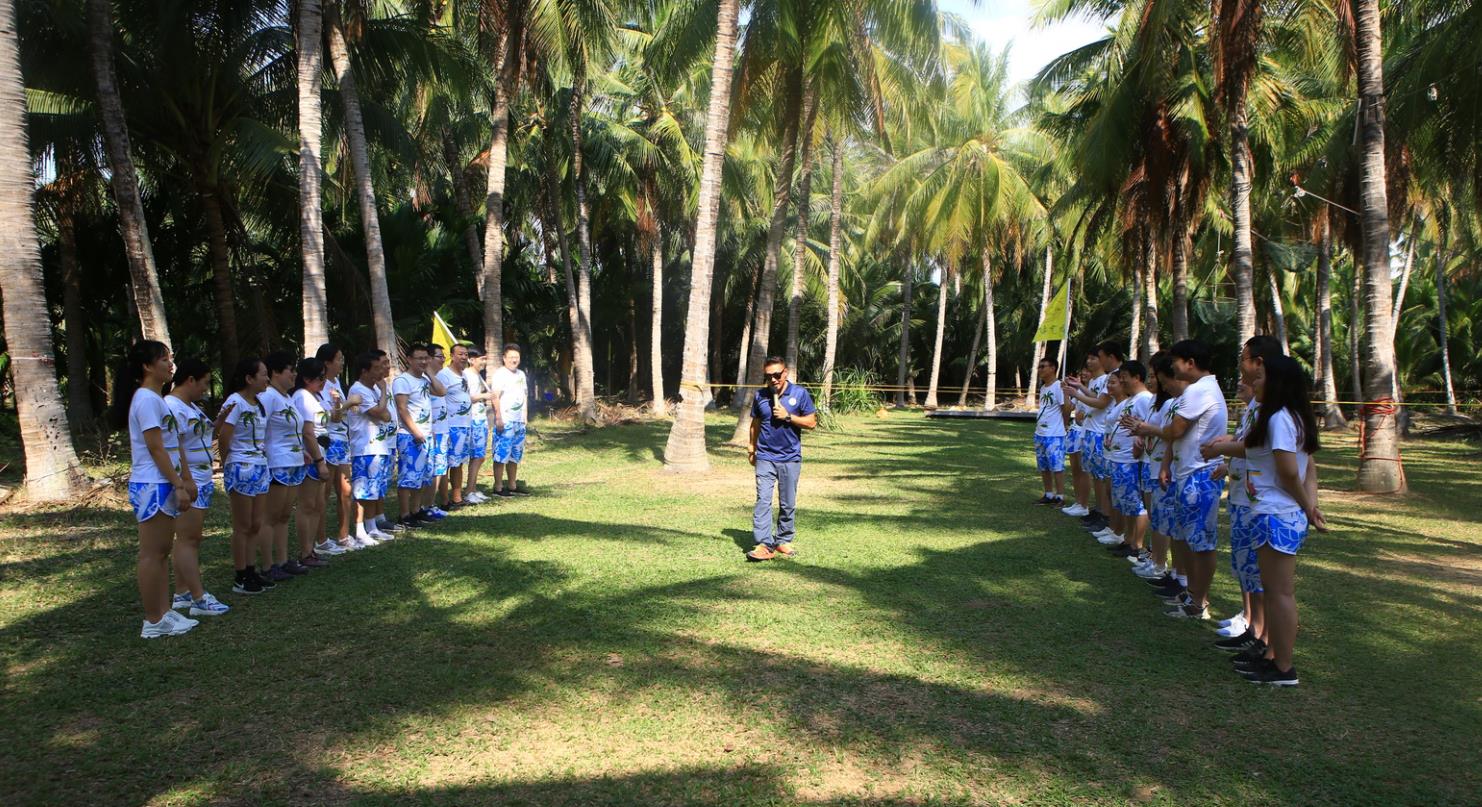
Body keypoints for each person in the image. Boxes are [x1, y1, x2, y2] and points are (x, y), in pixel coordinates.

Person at [1230, 355, 1326, 686]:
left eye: (1262, 375)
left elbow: (1289, 472)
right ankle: (1272, 656)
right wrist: (1308, 506)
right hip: (1274, 512)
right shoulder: (1286, 417)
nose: (1254, 379)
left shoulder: (1280, 419)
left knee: (1279, 593)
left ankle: (1283, 668)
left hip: (1276, 514)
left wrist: (1307, 508)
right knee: (1273, 592)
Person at [1128, 339, 1227, 620]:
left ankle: (1198, 603)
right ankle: (1191, 595)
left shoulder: (1199, 390)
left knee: (1200, 543)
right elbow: (1178, 433)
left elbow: (1175, 430)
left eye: (1175, 361)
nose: (1172, 367)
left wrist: (1149, 429)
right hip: (1189, 473)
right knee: (1186, 537)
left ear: (1190, 364)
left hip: (1198, 475)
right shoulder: (1202, 389)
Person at [114, 341, 199, 638]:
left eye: (170, 358)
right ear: (147, 366)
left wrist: (186, 478)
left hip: (163, 481)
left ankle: (164, 611)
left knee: (162, 551)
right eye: (164, 359)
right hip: (153, 483)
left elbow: (175, 445)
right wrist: (178, 484)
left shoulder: (157, 399)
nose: (170, 364)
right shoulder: (146, 400)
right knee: (152, 553)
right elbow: (155, 448)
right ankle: (153, 620)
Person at [165, 358, 231, 617]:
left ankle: (182, 592)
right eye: (204, 383)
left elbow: (200, 437)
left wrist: (219, 422)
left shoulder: (189, 406)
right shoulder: (172, 406)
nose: (205, 389)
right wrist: (186, 479)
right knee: (187, 540)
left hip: (201, 479)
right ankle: (198, 596)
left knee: (191, 538)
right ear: (190, 380)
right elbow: (176, 445)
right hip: (190, 480)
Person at [746, 356, 818, 561]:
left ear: (785, 373)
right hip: (765, 456)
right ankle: (763, 544)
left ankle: (783, 540)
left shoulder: (800, 394)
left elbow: (812, 423)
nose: (773, 380)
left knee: (787, 502)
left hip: (790, 457)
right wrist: (752, 447)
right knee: (763, 500)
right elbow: (755, 424)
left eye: (777, 375)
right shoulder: (760, 395)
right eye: (769, 376)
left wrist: (788, 416)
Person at [220, 356, 273, 594]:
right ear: (249, 378)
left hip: (260, 467)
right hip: (241, 467)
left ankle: (252, 570)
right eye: (263, 374)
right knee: (242, 525)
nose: (267, 379)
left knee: (255, 523)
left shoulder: (258, 403)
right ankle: (241, 576)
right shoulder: (235, 402)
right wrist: (227, 464)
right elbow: (224, 435)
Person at [260, 351, 314, 581]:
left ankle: (282, 560)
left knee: (283, 515)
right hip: (276, 463)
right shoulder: (268, 397)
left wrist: (302, 451)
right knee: (270, 516)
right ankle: (267, 564)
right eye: (289, 370)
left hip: (293, 462)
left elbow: (293, 430)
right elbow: (260, 430)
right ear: (274, 373)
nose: (294, 374)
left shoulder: (287, 397)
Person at [1130, 353, 1177, 585]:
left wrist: (1144, 429)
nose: (1150, 380)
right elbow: (1150, 430)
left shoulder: (1169, 403)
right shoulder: (1155, 403)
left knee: (1162, 519)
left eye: (1153, 375)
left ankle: (1159, 563)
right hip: (1151, 464)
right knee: (1154, 516)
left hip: (1160, 467)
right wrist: (1139, 434)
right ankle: (1154, 558)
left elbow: (1168, 434)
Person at [1065, 343, 1122, 533]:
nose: (1091, 361)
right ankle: (1100, 511)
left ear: (1109, 357)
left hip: (1100, 432)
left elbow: (1101, 403)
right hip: (1091, 431)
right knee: (1096, 476)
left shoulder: (1113, 377)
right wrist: (1080, 387)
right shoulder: (1102, 379)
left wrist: (1077, 394)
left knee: (1101, 477)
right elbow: (1097, 397)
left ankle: (1105, 515)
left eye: (1097, 357)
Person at [347, 349, 396, 545]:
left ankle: (372, 526)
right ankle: (360, 530)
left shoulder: (373, 390)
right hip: (365, 448)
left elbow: (387, 415)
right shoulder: (358, 390)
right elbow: (379, 412)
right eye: (375, 368)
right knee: (363, 490)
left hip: (379, 445)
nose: (380, 372)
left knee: (375, 488)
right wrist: (384, 391)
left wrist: (381, 402)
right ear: (364, 371)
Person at [291, 358, 335, 568]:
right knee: (307, 505)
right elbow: (308, 433)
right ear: (306, 378)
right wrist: (319, 462)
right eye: (320, 378)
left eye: (324, 377)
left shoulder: (315, 396)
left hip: (321, 453)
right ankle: (305, 551)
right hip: (311, 457)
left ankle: (312, 549)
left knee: (318, 504)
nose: (323, 382)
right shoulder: (302, 397)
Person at [316, 344, 357, 553]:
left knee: (346, 490)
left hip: (342, 440)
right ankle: (321, 540)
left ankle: (343, 535)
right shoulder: (320, 386)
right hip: (329, 440)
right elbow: (332, 415)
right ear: (327, 363)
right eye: (339, 359)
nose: (342, 362)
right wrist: (349, 404)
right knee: (324, 494)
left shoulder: (335, 382)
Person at [393, 344, 436, 528]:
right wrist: (415, 431)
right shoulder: (402, 380)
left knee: (422, 477)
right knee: (407, 477)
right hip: (410, 436)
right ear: (409, 359)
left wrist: (430, 374)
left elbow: (441, 391)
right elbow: (402, 408)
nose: (423, 361)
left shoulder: (425, 380)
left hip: (426, 434)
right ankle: (404, 514)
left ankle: (416, 510)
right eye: (419, 358)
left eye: (426, 358)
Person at [488, 343, 530, 497]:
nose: (514, 360)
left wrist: (525, 415)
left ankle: (512, 485)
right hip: (505, 421)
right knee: (501, 454)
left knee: (515, 454)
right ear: (504, 358)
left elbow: (524, 395)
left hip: (519, 421)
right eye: (511, 357)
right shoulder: (500, 374)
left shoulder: (521, 375)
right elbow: (495, 397)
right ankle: (498, 487)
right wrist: (498, 417)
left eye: (516, 357)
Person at [438, 344, 474, 509]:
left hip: (465, 426)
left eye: (466, 354)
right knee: (448, 463)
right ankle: (445, 500)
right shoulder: (444, 375)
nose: (464, 357)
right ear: (451, 356)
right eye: (460, 354)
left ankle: (457, 497)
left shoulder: (464, 375)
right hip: (451, 427)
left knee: (459, 463)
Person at [1059, 364, 1094, 518]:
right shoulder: (1079, 390)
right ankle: (1078, 502)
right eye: (1083, 371)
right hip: (1075, 430)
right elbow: (1068, 409)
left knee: (1083, 471)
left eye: (1088, 370)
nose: (1085, 373)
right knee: (1075, 471)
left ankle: (1084, 504)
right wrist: (1066, 392)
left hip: (1085, 431)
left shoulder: (1096, 391)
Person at [1032, 357, 1067, 506]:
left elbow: (1065, 408)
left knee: (1056, 466)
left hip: (1055, 434)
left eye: (1043, 366)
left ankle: (1060, 496)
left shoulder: (1059, 386)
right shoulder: (1044, 387)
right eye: (1039, 367)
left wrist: (1065, 425)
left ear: (1053, 368)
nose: (1039, 370)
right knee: (1044, 466)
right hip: (1040, 433)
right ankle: (1048, 493)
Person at [462, 347, 492, 503]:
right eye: (482, 359)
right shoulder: (467, 375)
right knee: (476, 456)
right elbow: (467, 397)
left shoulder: (477, 376)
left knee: (480, 456)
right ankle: (468, 492)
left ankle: (472, 489)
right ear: (471, 360)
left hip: (481, 418)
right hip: (473, 419)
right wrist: (486, 395)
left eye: (485, 359)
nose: (484, 362)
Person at [426, 345, 453, 515]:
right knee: (433, 470)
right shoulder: (425, 380)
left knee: (441, 468)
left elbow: (442, 392)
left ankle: (435, 503)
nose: (443, 359)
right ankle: (427, 505)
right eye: (439, 356)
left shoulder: (437, 379)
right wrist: (428, 372)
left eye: (444, 356)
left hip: (443, 430)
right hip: (432, 431)